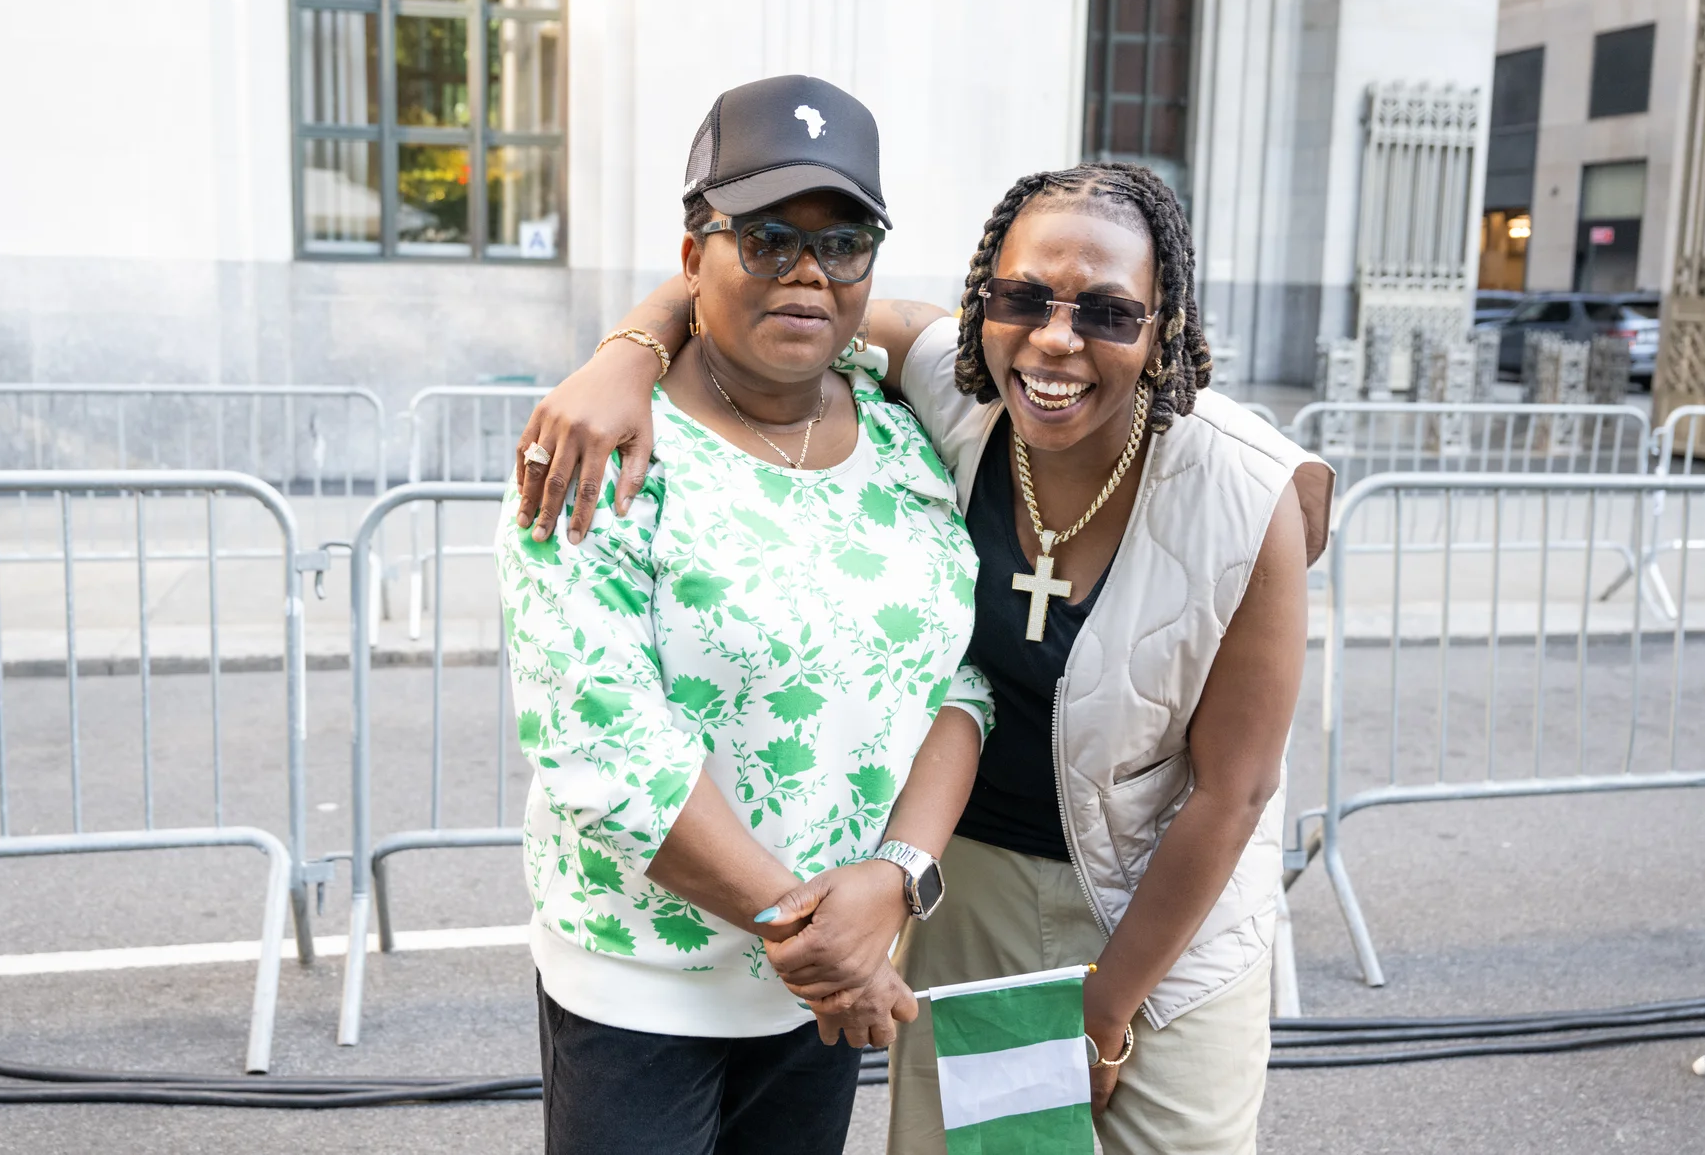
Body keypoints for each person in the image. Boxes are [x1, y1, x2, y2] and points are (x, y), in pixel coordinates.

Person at [517, 162, 1332, 1155]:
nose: (1056, 339)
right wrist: (625, 354)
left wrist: (1107, 1007)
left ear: (1164, 327)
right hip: (973, 893)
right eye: (1023, 297)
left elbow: (1234, 793)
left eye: (1110, 312)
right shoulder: (957, 382)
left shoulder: (1243, 492)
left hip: (1156, 908)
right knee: (989, 1150)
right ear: (982, 299)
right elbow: (767, 283)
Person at [500, 75, 995, 1155]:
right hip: (645, 988)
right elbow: (601, 740)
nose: (808, 270)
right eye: (766, 239)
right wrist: (818, 935)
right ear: (693, 258)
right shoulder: (601, 450)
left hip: (822, 985)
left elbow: (959, 679)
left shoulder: (903, 436)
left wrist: (894, 879)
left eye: (843, 242)